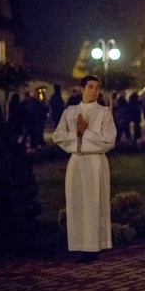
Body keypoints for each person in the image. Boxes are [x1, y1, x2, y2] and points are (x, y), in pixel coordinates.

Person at [52, 75, 116, 263]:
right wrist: (76, 133)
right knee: (77, 201)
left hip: (95, 162)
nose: (94, 91)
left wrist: (87, 132)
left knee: (94, 202)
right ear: (82, 89)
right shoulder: (70, 112)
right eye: (90, 87)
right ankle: (80, 244)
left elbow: (109, 140)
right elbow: (59, 136)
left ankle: (93, 246)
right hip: (77, 161)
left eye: (97, 88)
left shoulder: (104, 113)